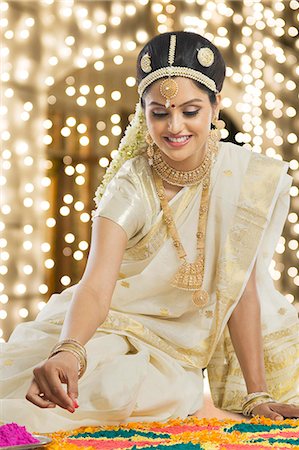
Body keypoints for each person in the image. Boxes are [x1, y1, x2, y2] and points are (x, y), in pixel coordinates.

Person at [1, 31, 298, 433]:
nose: (174, 126)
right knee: (85, 385)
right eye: (159, 113)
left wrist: (257, 394)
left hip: (178, 352)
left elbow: (239, 288)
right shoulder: (132, 184)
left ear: (215, 108)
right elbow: (95, 286)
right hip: (109, 326)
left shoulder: (243, 175)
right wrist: (70, 351)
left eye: (190, 111)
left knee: (147, 388)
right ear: (144, 114)